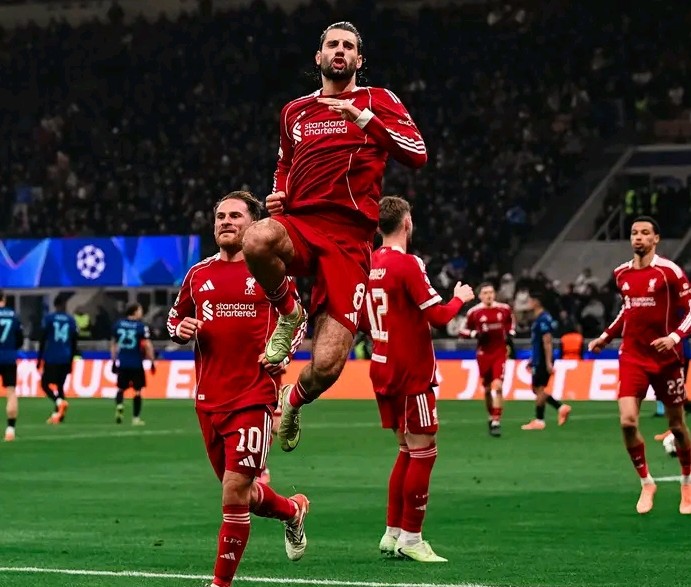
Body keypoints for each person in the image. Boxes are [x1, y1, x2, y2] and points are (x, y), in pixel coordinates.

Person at [241, 21, 427, 452]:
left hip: (349, 239)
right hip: (303, 225)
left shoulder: (378, 100)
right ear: (319, 57)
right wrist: (279, 193)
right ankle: (289, 313)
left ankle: (293, 400)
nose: (339, 51)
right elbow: (284, 163)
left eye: (348, 46)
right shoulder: (294, 111)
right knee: (256, 239)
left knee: (326, 366)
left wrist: (365, 120)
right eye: (332, 45)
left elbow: (417, 154)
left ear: (359, 60)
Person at [167, 191, 309, 587]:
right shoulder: (198, 274)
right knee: (244, 494)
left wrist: (284, 354)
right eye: (220, 217)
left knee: (233, 493)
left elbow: (297, 320)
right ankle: (292, 511)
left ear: (254, 225)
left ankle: (220, 583)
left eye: (235, 216)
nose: (226, 222)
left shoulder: (270, 270)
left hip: (252, 396)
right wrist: (180, 330)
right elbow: (174, 318)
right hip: (208, 399)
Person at [363, 196, 474, 563]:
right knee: (424, 452)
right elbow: (439, 316)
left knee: (406, 450)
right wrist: (459, 299)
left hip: (381, 365)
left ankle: (392, 532)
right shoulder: (408, 264)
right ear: (407, 222)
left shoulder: (369, 263)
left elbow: (363, 317)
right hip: (410, 371)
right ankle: (412, 538)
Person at [588, 216, 691, 514]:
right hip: (633, 356)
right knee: (627, 422)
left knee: (677, 426)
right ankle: (647, 482)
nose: (639, 237)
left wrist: (674, 337)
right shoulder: (621, 273)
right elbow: (628, 309)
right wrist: (606, 336)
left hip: (666, 359)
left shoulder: (669, 272)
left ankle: (687, 483)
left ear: (656, 239)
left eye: (645, 233)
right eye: (634, 233)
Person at [459, 283, 515, 437]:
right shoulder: (474, 312)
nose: (489, 295)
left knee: (497, 386)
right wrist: (474, 334)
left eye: (491, 292)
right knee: (488, 389)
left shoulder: (504, 309)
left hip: (499, 352)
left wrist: (510, 335)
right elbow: (462, 330)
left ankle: (496, 421)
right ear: (480, 296)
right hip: (483, 354)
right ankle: (491, 416)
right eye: (485, 293)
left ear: (494, 294)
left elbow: (511, 325)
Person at [521, 291, 572, 430]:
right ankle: (560, 407)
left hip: (543, 359)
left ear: (536, 302)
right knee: (536, 389)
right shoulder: (539, 318)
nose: (528, 303)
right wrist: (532, 359)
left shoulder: (543, 319)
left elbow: (547, 341)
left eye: (530, 300)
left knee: (539, 389)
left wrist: (548, 362)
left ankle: (540, 420)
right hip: (538, 358)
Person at [110, 303, 155, 425]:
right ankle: (136, 418)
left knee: (120, 388)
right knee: (137, 390)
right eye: (140, 310)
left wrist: (113, 361)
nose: (141, 313)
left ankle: (119, 405)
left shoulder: (118, 324)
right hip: (136, 363)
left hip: (123, 363)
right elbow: (147, 345)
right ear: (135, 312)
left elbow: (114, 344)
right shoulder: (141, 326)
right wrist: (152, 361)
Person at [37, 296, 78, 424]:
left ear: (55, 305)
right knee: (60, 386)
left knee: (44, 384)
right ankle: (58, 416)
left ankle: (59, 402)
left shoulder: (49, 318)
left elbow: (43, 339)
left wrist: (39, 358)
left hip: (52, 356)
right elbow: (74, 341)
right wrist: (71, 360)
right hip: (65, 357)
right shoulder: (71, 320)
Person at [0, 291, 24, 441]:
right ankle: (10, 430)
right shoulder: (14, 316)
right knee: (11, 392)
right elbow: (20, 339)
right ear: (4, 299)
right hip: (8, 358)